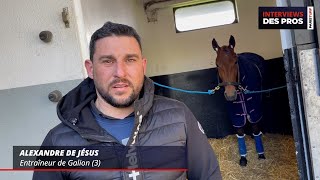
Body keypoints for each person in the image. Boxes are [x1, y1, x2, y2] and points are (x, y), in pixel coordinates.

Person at [33, 21, 221, 180]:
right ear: (90, 69)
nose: (120, 73)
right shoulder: (58, 141)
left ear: (143, 65)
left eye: (130, 60)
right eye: (107, 61)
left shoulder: (179, 117)